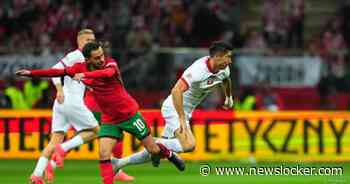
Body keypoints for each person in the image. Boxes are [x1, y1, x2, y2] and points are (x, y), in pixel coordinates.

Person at [16, 41, 185, 184]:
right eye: (97, 58)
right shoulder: (79, 68)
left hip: (129, 115)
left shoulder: (110, 64)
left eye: (102, 55)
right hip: (110, 119)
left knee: (153, 149)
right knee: (104, 154)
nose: (101, 59)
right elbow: (57, 72)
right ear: (87, 59)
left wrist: (85, 75)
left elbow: (107, 73)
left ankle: (168, 153)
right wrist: (31, 74)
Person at [111, 41, 234, 171]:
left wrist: (229, 97)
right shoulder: (198, 70)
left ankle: (119, 163)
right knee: (189, 145)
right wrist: (181, 118)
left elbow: (226, 80)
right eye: (228, 57)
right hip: (174, 108)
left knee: (156, 151)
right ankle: (152, 141)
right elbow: (176, 90)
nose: (230, 61)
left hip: (185, 111)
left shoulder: (223, 69)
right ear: (218, 56)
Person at [27, 29, 99, 184]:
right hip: (71, 102)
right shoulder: (76, 55)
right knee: (96, 131)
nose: (91, 43)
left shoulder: (86, 58)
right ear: (79, 42)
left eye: (93, 40)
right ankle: (63, 149)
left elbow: (78, 77)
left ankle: (36, 175)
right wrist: (59, 89)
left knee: (54, 141)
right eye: (88, 40)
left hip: (61, 104)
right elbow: (55, 70)